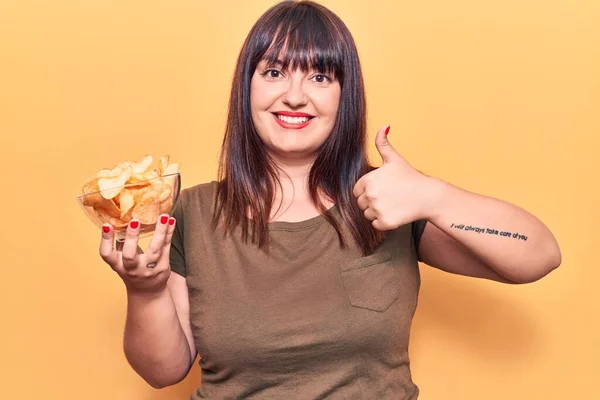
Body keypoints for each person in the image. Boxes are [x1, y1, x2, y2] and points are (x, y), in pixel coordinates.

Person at [98, 1, 562, 398]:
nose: (295, 95)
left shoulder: (389, 203)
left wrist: (433, 195)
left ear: (346, 96)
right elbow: (163, 372)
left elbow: (539, 254)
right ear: (247, 88)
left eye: (320, 76)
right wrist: (145, 289)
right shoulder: (192, 213)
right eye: (275, 72)